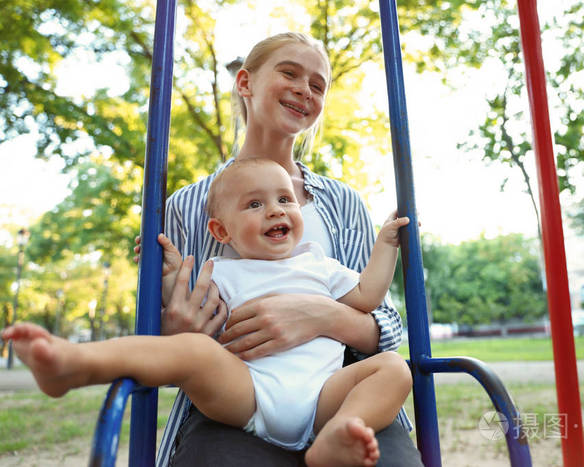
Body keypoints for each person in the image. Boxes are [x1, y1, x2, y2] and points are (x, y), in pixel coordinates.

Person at [3, 158, 413, 467]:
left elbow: (366, 296)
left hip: (325, 397)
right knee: (194, 352)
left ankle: (338, 436)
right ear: (222, 232)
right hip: (249, 392)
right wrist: (168, 278)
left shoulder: (319, 265)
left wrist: (386, 246)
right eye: (255, 204)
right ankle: (76, 364)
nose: (275, 210)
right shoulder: (223, 272)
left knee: (394, 368)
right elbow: (195, 319)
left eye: (285, 199)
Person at [140, 32, 423, 466]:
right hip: (240, 398)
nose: (303, 89)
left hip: (336, 391)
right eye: (289, 73)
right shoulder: (188, 206)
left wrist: (321, 314)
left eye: (317, 84)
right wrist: (175, 325)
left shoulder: (342, 203)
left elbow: (382, 327)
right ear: (245, 83)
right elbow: (167, 332)